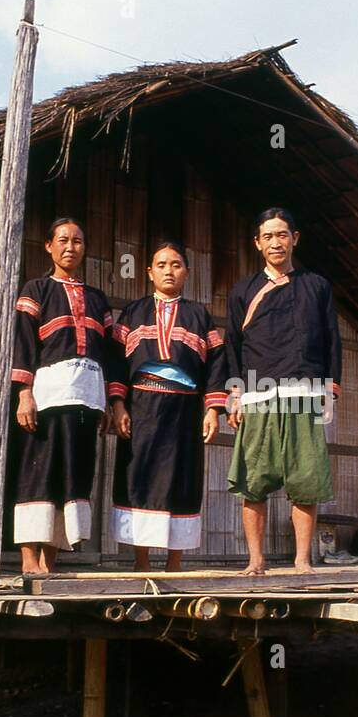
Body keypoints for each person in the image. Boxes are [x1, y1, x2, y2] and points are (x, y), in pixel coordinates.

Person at [225, 207, 341, 575]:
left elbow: (332, 340)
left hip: (304, 392)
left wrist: (329, 387)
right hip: (257, 394)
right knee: (254, 482)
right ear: (257, 243)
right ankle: (256, 560)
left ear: (295, 238)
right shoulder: (243, 291)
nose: (276, 242)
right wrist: (234, 394)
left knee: (306, 480)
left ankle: (302, 560)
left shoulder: (317, 286)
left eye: (283, 234)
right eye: (268, 236)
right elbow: (232, 346)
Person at [108, 241, 229, 571]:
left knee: (181, 480)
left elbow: (217, 364)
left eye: (176, 265)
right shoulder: (133, 312)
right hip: (142, 410)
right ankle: (141, 564)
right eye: (161, 264)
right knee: (140, 479)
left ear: (187, 272)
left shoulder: (198, 314)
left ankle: (175, 564)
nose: (168, 271)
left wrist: (213, 410)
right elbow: (117, 362)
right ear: (149, 272)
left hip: (184, 413)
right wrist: (118, 405)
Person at [12, 217, 121, 575]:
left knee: (73, 473)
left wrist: (109, 398)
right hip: (48, 394)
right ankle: (29, 558)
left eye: (77, 241)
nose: (70, 247)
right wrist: (24, 394)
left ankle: (51, 559)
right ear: (49, 246)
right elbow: (24, 343)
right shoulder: (36, 289)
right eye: (63, 240)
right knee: (39, 471)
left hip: (87, 397)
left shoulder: (97, 299)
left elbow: (108, 353)